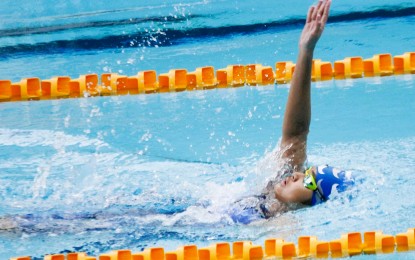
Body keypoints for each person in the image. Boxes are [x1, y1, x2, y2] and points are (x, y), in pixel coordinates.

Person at [229, 0, 355, 224]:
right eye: (306, 172)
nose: (297, 175)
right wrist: (306, 51)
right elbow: (297, 132)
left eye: (308, 181)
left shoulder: (281, 223)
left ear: (316, 200)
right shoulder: (277, 184)